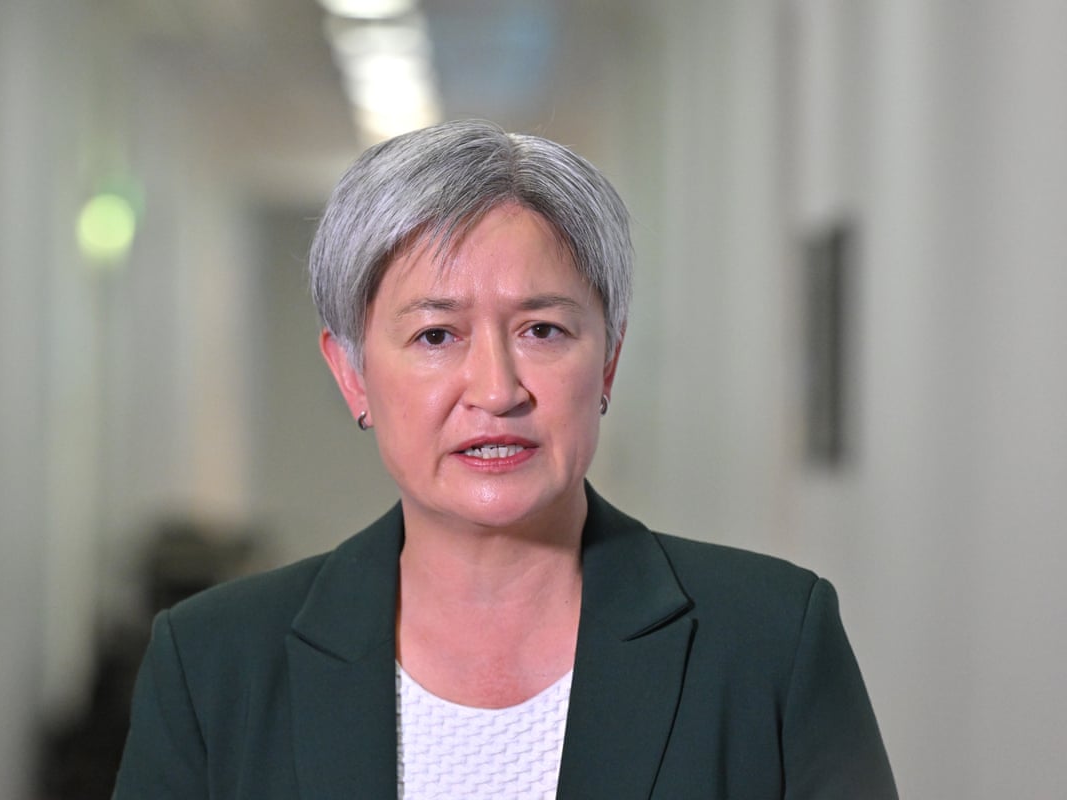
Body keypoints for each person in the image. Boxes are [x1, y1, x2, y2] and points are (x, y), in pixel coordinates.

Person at [113, 119, 897, 799]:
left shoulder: (770, 643)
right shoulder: (213, 665)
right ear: (351, 374)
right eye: (435, 335)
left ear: (610, 364)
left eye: (543, 331)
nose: (496, 389)